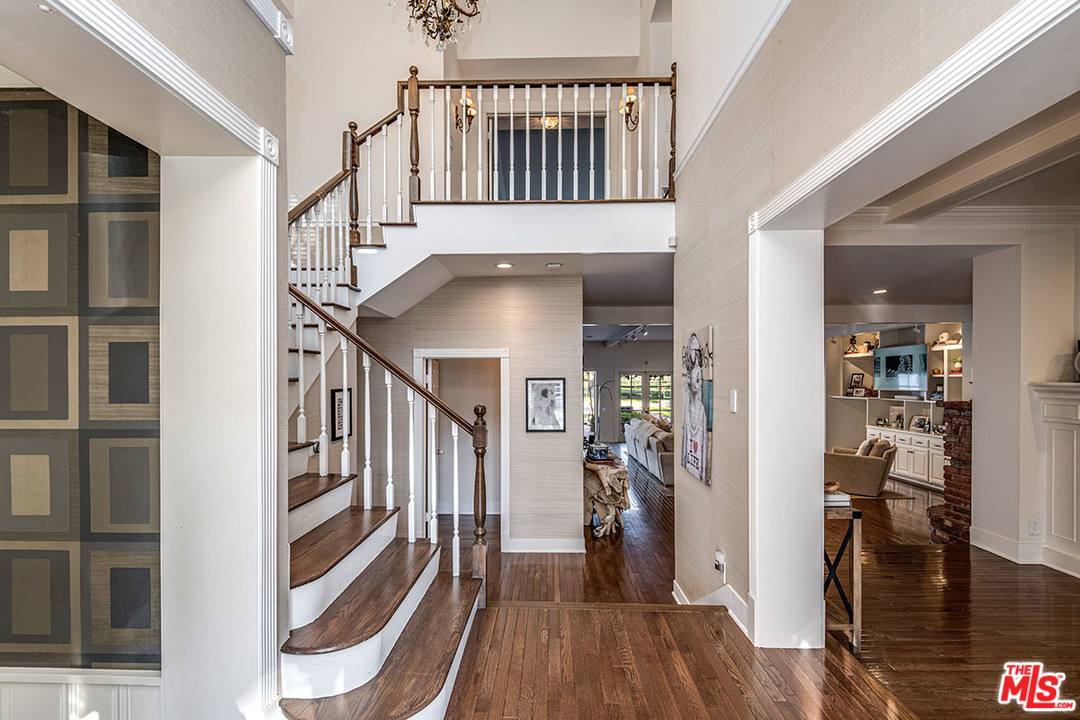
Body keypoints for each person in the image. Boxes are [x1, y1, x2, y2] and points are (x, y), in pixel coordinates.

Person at [682, 332, 710, 484]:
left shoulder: (702, 413)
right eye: (693, 365)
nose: (698, 372)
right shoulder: (687, 411)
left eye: (699, 364)